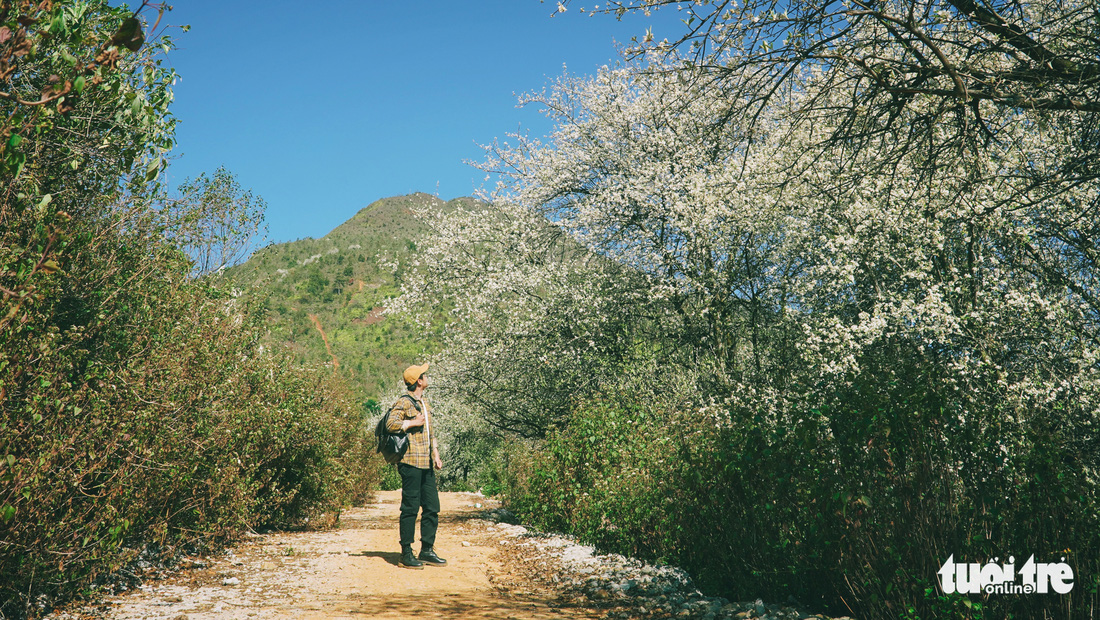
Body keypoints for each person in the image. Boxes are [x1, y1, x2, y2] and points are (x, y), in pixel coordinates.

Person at [386, 363, 446, 569]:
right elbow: (390, 424)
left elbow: (431, 432)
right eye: (424, 375)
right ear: (418, 381)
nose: (427, 376)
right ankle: (406, 553)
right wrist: (412, 423)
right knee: (410, 508)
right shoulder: (404, 402)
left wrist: (436, 454)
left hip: (427, 463)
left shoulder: (424, 402)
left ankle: (427, 550)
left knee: (431, 507)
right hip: (410, 462)